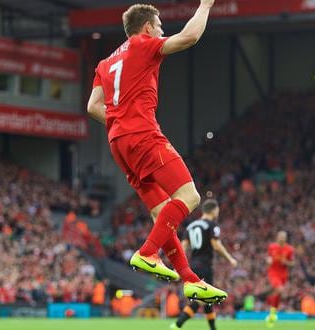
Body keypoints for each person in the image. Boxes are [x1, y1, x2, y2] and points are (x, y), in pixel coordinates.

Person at [86, 0, 226, 302]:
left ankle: (190, 280)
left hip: (118, 142)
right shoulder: (143, 43)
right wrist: (205, 5)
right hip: (143, 135)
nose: (161, 32)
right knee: (190, 197)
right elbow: (189, 37)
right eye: (159, 27)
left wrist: (119, 120)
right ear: (147, 27)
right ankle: (148, 251)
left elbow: (92, 106)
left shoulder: (105, 63)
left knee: (162, 212)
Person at [171, 199, 238, 329]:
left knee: (207, 298)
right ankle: (178, 324)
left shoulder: (191, 226)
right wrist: (230, 259)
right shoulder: (212, 225)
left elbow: (182, 248)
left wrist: (176, 267)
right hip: (205, 265)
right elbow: (216, 245)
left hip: (193, 266)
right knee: (204, 298)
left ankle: (212, 328)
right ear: (214, 210)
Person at [265, 231, 295, 328]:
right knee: (279, 289)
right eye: (280, 237)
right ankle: (272, 312)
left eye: (283, 237)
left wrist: (286, 262)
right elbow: (268, 258)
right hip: (273, 273)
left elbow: (292, 263)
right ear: (277, 237)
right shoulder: (272, 247)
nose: (282, 238)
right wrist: (268, 260)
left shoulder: (289, 249)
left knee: (279, 293)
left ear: (286, 238)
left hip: (283, 274)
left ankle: (272, 314)